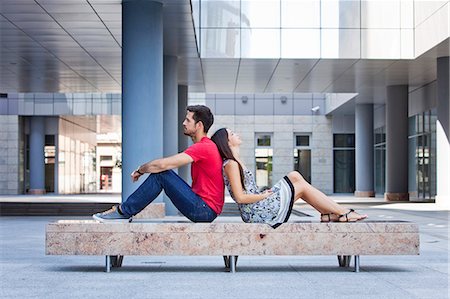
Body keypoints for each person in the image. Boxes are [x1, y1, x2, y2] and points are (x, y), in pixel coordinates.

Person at [210, 128, 367, 228]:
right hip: (256, 213)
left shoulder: (236, 162)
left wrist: (263, 193)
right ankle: (342, 212)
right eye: (232, 134)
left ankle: (328, 213)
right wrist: (263, 195)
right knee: (301, 186)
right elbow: (240, 197)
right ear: (227, 142)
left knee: (294, 176)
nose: (236, 133)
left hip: (260, 205)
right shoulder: (230, 164)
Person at [93, 105, 224, 223]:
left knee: (161, 174)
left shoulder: (204, 147)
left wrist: (141, 170)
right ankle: (124, 211)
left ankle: (122, 212)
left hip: (204, 210)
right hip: (205, 209)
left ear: (199, 125)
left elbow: (162, 165)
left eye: (188, 120)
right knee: (162, 174)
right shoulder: (206, 146)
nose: (183, 123)